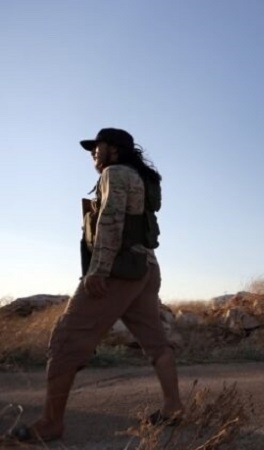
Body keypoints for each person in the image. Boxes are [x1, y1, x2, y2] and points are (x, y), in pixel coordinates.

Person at [8, 128, 183, 443]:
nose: (93, 153)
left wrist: (98, 271)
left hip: (118, 270)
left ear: (114, 150)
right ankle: (173, 408)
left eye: (97, 147)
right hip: (145, 268)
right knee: (155, 342)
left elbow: (111, 220)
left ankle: (50, 423)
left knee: (65, 339)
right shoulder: (141, 178)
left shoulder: (115, 173)